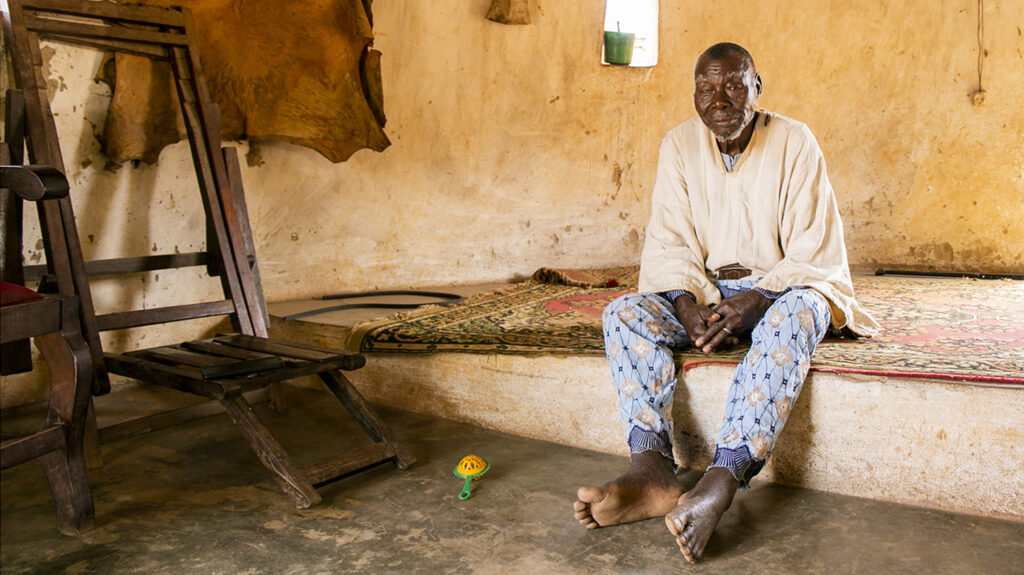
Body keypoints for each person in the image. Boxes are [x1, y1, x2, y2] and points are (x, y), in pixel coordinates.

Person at [572, 42, 878, 563]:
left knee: (799, 312)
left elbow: (812, 248)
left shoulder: (795, 141)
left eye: (734, 85)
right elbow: (670, 241)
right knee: (623, 313)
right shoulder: (678, 145)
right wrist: (686, 304)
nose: (720, 100)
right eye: (706, 89)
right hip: (709, 297)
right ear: (695, 94)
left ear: (757, 88)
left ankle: (720, 480)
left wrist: (759, 299)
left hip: (779, 293)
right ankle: (651, 471)